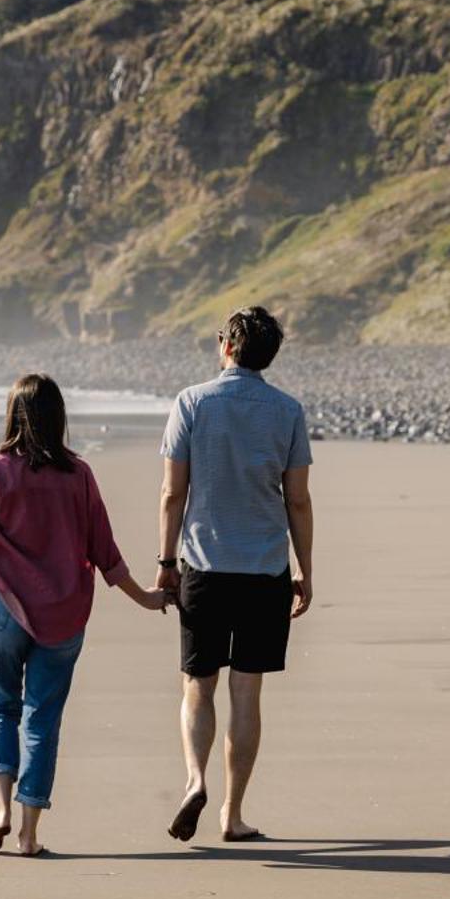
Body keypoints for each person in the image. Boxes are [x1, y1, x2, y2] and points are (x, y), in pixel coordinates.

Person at [0, 373, 167, 857]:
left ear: (12, 415)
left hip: (1, 607)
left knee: (0, 705)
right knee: (43, 718)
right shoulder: (78, 475)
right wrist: (144, 597)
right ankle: (29, 831)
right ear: (58, 418)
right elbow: (104, 550)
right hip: (63, 613)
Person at [155, 306, 314, 844]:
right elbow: (298, 500)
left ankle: (195, 780)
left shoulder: (192, 402)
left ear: (226, 345)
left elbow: (174, 492)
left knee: (198, 686)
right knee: (247, 693)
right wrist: (305, 571)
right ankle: (232, 814)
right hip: (265, 566)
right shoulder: (287, 411)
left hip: (203, 564)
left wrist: (165, 562)